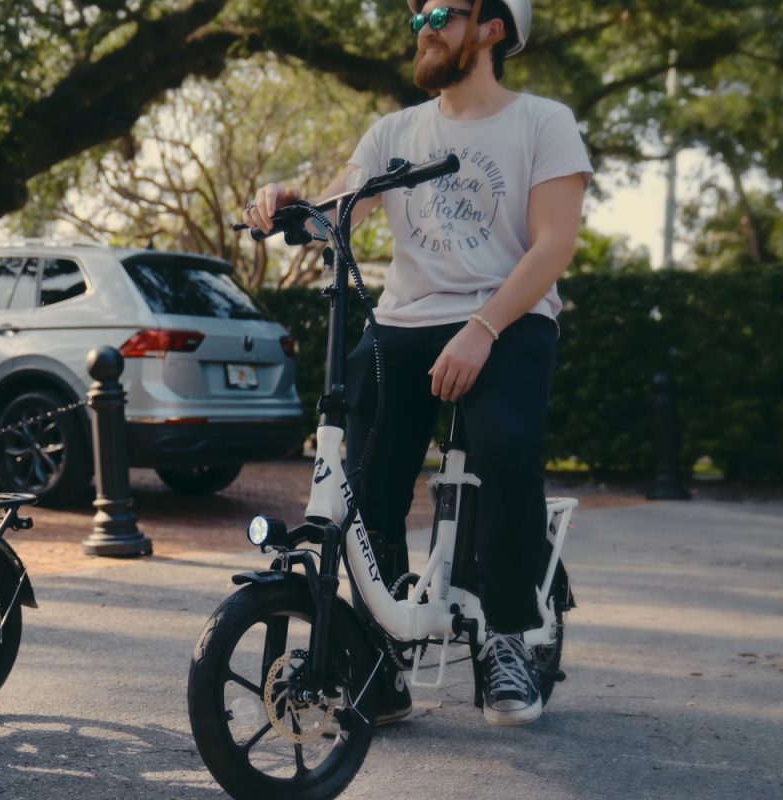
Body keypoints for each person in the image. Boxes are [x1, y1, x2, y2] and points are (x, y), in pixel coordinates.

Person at [245, 0, 591, 727]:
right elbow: (337, 213)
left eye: (441, 11)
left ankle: (507, 635)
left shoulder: (543, 122)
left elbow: (553, 246)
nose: (423, 26)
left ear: (493, 26)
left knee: (504, 447)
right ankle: (381, 651)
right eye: (416, 17)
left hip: (510, 318)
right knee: (361, 474)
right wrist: (286, 203)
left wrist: (483, 328)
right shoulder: (394, 132)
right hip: (404, 322)